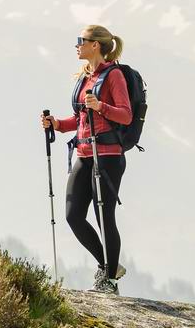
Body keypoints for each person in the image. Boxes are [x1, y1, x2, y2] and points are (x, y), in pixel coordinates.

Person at [41, 25, 132, 294]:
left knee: (104, 217)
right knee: (73, 215)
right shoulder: (86, 77)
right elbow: (82, 118)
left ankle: (110, 280)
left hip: (107, 157)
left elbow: (125, 115)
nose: (77, 45)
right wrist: (56, 124)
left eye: (81, 40)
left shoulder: (114, 76)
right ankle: (109, 266)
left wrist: (101, 106)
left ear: (96, 45)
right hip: (83, 154)